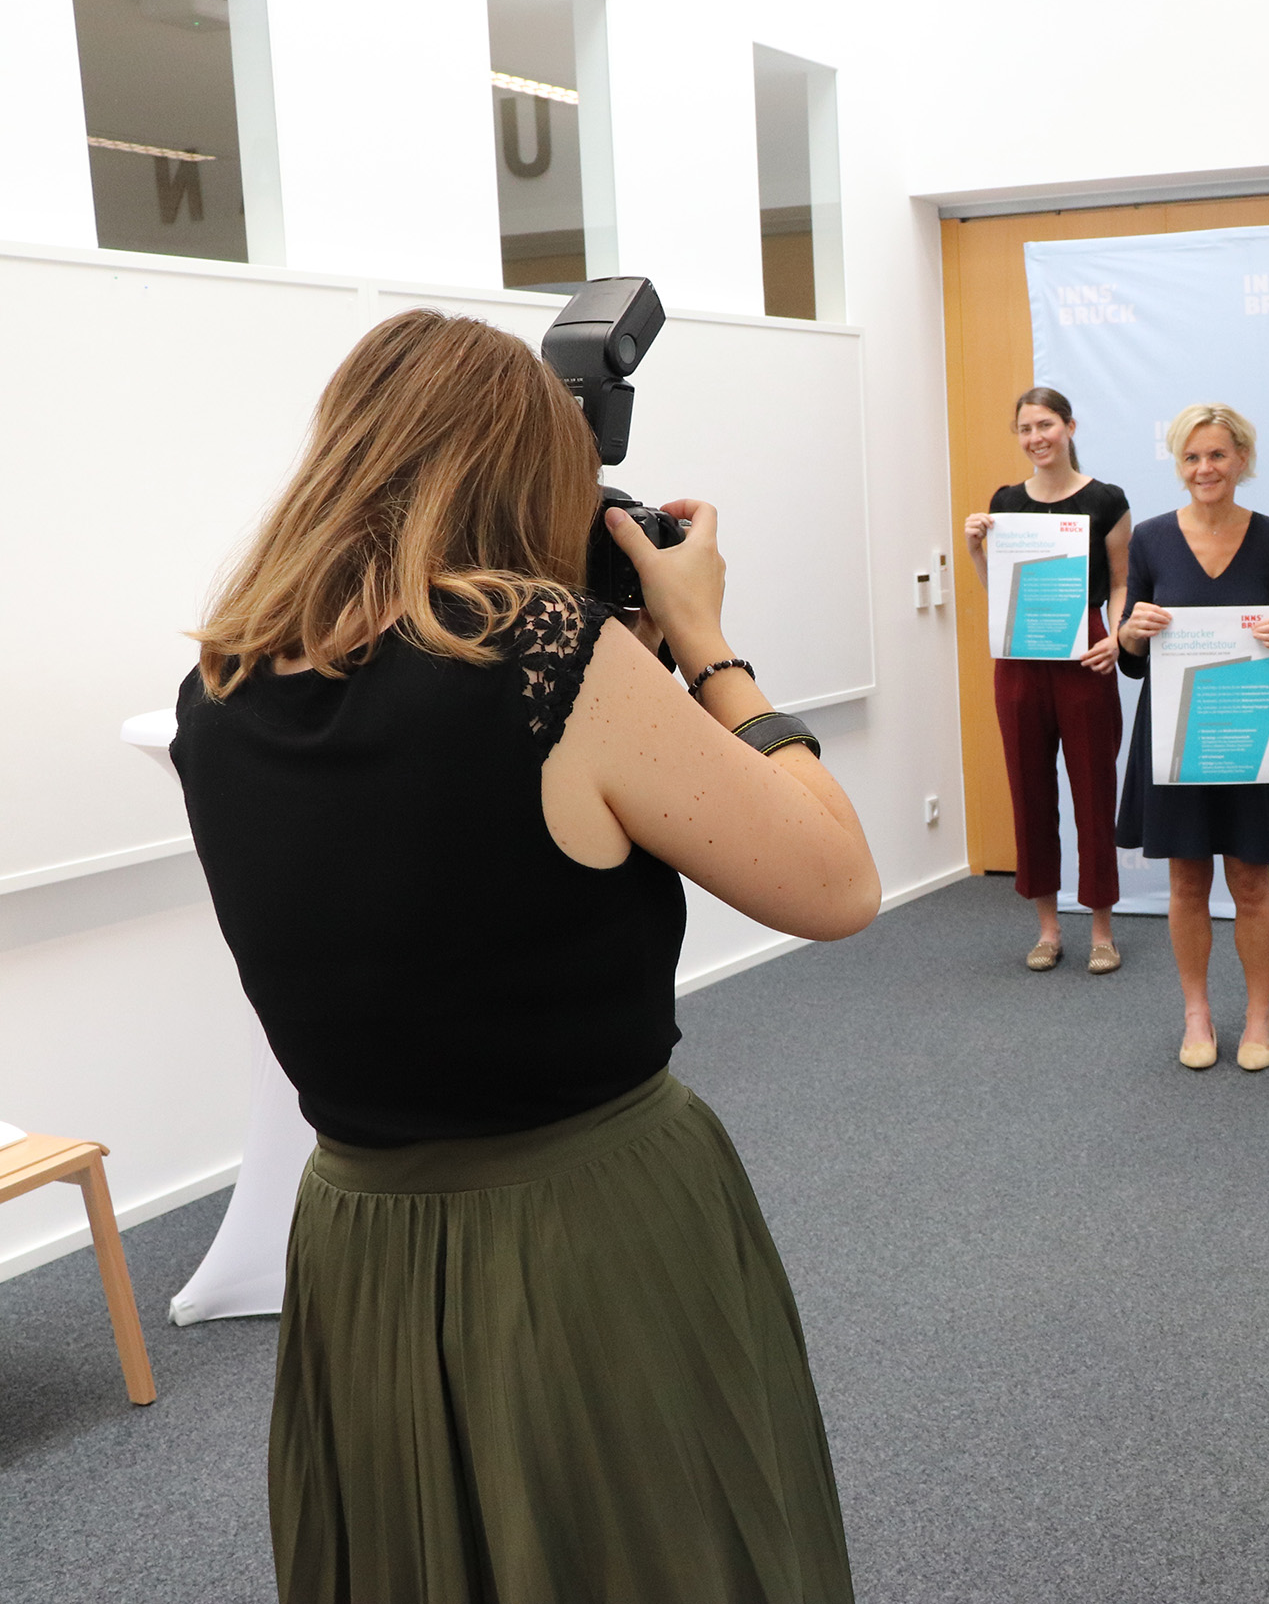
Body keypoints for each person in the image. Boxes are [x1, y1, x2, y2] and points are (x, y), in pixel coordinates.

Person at [172, 310, 880, 1598]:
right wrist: (709, 647)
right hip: (587, 1227)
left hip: (358, 1240)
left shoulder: (220, 686)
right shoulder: (553, 656)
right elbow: (835, 883)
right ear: (528, 477)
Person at [1115, 404, 1269, 1072]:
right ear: (1179, 465)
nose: (1205, 468)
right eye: (1192, 457)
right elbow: (1132, 658)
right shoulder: (1149, 538)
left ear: (1242, 461)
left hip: (1248, 729)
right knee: (1186, 880)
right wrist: (1129, 634)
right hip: (1173, 733)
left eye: (1218, 455)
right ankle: (1196, 1012)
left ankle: (1259, 1015)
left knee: (1252, 880)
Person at [964, 387, 1132, 974]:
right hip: (1019, 657)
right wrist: (974, 549)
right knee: (1028, 790)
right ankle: (1047, 928)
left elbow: (1121, 580)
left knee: (1094, 788)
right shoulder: (1005, 502)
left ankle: (1103, 929)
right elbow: (1000, 594)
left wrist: (1117, 634)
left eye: (1046, 425)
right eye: (1025, 428)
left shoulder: (1106, 499)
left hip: (1085, 652)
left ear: (1069, 426)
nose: (1036, 438)